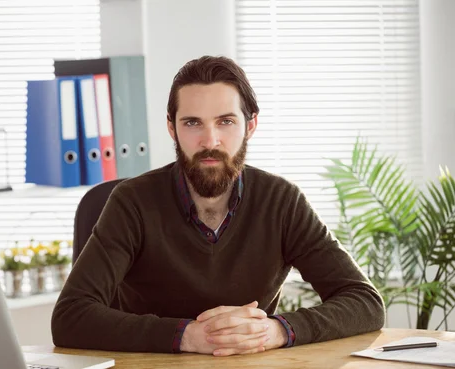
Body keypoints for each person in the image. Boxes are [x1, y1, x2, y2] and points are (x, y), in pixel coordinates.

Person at [51, 55, 385, 356]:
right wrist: (188, 336)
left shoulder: (282, 201)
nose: (210, 141)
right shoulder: (132, 202)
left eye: (225, 121)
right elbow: (70, 316)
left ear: (250, 125)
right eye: (192, 123)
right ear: (172, 127)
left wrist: (276, 330)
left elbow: (364, 302)